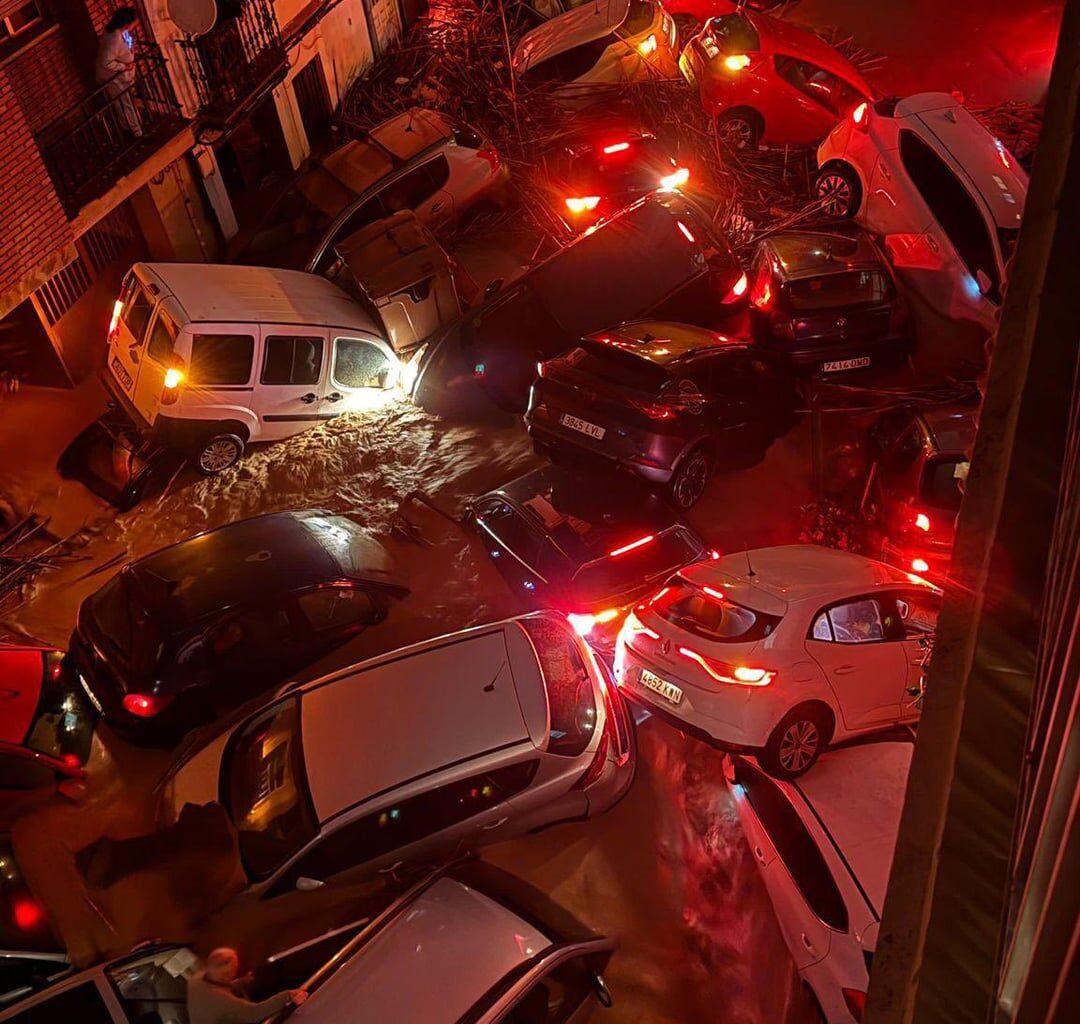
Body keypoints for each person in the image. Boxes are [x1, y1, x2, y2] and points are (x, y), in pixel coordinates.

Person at [187, 947, 307, 1024]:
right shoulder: (223, 1002)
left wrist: (242, 981)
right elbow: (255, 1013)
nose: (236, 972)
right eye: (235, 970)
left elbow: (218, 986)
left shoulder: (196, 979)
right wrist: (288, 995)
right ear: (226, 975)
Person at [94, 7, 142, 137]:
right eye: (133, 23)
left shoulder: (121, 33)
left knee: (127, 102)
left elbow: (127, 44)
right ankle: (135, 132)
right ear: (127, 23)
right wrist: (124, 66)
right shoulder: (114, 39)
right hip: (114, 78)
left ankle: (132, 127)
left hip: (123, 76)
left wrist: (131, 49)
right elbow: (106, 62)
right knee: (125, 104)